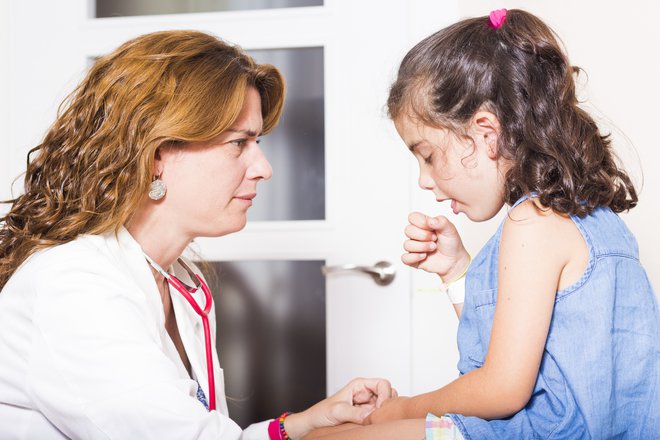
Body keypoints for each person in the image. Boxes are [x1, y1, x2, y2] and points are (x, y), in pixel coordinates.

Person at [0, 30, 397, 439]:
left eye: (256, 141)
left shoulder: (178, 278)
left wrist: (299, 425)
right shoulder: (75, 285)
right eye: (238, 143)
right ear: (156, 157)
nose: (263, 167)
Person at [303, 8, 658, 440]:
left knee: (322, 437)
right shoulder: (583, 215)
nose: (424, 180)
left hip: (543, 433)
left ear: (486, 133)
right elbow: (519, 353)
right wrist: (456, 273)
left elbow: (503, 389)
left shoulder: (534, 222)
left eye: (428, 156)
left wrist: (400, 410)